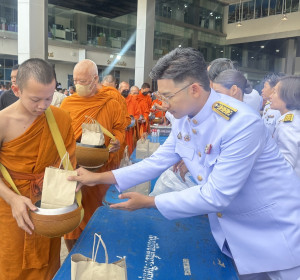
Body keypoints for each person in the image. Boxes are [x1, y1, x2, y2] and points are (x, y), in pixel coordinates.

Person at [70, 48, 300, 279]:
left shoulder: (240, 124)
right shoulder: (185, 118)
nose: (164, 104)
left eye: (168, 96)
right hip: (237, 236)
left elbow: (216, 194)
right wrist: (98, 178)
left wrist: (150, 202)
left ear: (194, 89)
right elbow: (157, 161)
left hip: (276, 234)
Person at [0, 58, 76, 280]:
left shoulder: (60, 118)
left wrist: (72, 180)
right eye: (35, 99)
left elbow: (68, 162)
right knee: (12, 265)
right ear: (16, 90)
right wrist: (13, 199)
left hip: (46, 202)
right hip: (9, 203)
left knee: (47, 264)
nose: (43, 105)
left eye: (49, 97)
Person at [60, 59, 127, 251]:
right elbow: (60, 135)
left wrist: (117, 141)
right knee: (71, 223)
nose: (78, 85)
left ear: (95, 79)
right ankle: (74, 257)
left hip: (100, 173)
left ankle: (100, 254)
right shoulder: (68, 103)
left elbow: (119, 129)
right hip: (74, 171)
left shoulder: (111, 102)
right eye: (76, 81)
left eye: (83, 81)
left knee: (99, 219)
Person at [270, 75, 300, 178]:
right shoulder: (294, 118)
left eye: (274, 92)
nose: (271, 95)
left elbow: (285, 165)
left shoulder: (289, 124)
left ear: (287, 96)